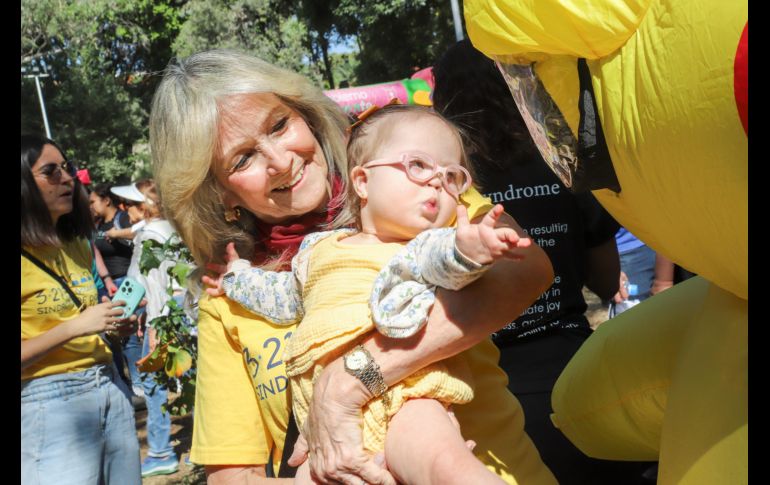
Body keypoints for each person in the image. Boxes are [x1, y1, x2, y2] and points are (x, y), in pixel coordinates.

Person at [150, 49, 556, 485]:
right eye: (242, 158)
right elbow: (232, 478)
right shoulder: (230, 298)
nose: (281, 160)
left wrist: (349, 380)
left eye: (279, 125)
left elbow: (528, 268)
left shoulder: (412, 190)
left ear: (305, 114)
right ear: (220, 193)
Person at [211, 104, 531, 483]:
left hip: (408, 398)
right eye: (418, 166)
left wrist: (473, 250)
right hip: (324, 431)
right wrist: (236, 277)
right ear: (361, 182)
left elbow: (448, 260)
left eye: (451, 176)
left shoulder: (425, 244)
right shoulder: (317, 251)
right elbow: (281, 296)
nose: (436, 182)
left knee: (446, 467)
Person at [432, 39, 653, 484]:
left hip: (486, 392)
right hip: (576, 375)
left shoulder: (441, 187)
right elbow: (606, 276)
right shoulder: (558, 163)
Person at [21, 134, 142, 484]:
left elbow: (89, 322)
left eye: (66, 167)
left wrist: (112, 325)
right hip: (48, 403)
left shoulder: (75, 243)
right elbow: (75, 326)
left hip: (110, 387)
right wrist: (76, 326)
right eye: (50, 171)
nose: (67, 178)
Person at [116, 180, 183, 477]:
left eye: (129, 204)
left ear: (145, 206)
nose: (125, 209)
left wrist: (154, 326)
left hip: (164, 317)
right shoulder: (173, 228)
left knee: (154, 385)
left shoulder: (149, 235)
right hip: (185, 314)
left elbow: (154, 287)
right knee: (195, 376)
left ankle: (160, 451)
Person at [89, 183, 144, 397]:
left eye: (93, 201)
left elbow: (139, 231)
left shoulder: (121, 218)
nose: (91, 206)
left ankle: (138, 383)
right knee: (114, 338)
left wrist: (117, 232)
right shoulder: (97, 226)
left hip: (126, 283)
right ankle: (124, 382)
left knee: (129, 337)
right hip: (110, 287)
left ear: (106, 200)